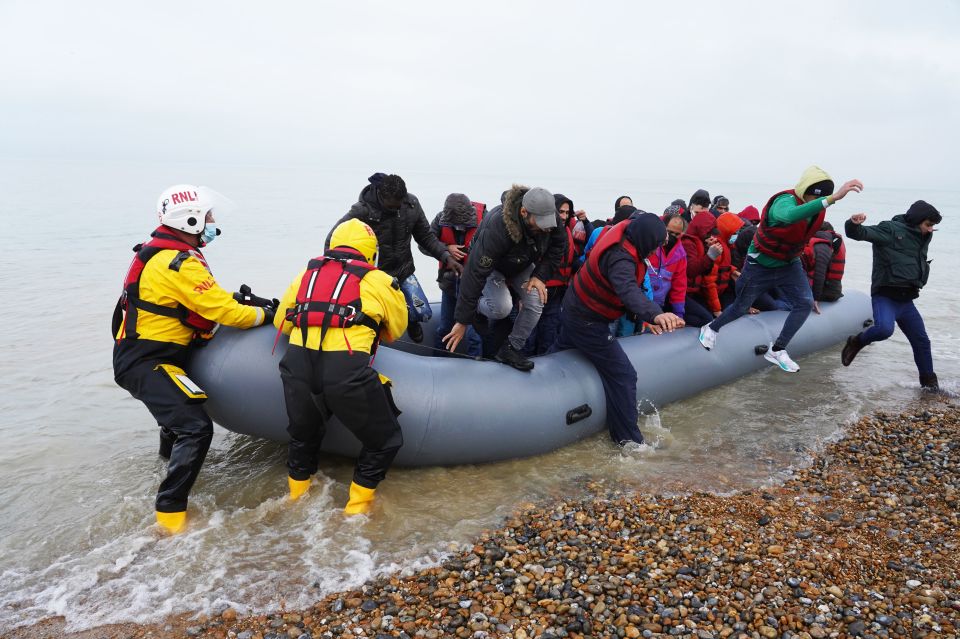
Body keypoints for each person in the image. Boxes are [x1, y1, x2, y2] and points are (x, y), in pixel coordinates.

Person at [113, 185, 275, 534]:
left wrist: (248, 303)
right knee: (195, 427)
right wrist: (266, 315)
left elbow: (204, 300)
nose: (213, 224)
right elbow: (224, 312)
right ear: (190, 220)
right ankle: (171, 519)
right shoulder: (180, 262)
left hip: (149, 354)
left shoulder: (161, 253)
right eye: (209, 218)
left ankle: (165, 468)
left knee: (174, 421)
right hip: (147, 360)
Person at [275, 219, 408, 514]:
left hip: (296, 365)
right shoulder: (380, 280)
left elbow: (280, 323)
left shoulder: (305, 275)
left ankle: (296, 500)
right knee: (385, 441)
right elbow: (396, 329)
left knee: (303, 436)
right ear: (371, 252)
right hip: (345, 372)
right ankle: (357, 510)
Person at [697, 166, 863, 372]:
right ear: (804, 191)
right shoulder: (784, 201)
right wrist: (834, 198)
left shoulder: (817, 209)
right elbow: (789, 216)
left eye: (819, 198)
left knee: (804, 303)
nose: (814, 202)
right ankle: (711, 328)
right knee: (741, 306)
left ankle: (777, 349)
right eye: (812, 196)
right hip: (760, 264)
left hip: (789, 263)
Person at [552, 213, 684, 445]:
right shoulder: (620, 258)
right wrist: (656, 314)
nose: (654, 252)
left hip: (574, 307)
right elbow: (629, 292)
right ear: (645, 240)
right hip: (588, 320)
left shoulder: (631, 230)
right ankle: (628, 441)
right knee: (624, 374)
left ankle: (542, 390)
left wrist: (647, 319)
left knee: (558, 353)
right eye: (654, 246)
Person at [326, 173, 462, 344]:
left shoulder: (411, 205)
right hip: (375, 276)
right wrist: (335, 271)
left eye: (399, 205)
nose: (396, 210)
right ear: (381, 197)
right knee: (376, 318)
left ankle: (412, 321)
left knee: (423, 313)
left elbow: (425, 237)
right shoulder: (361, 211)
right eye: (392, 207)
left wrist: (445, 256)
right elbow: (333, 240)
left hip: (404, 271)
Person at [443, 185, 565, 371]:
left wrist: (540, 276)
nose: (547, 228)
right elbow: (475, 273)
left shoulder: (550, 219)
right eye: (540, 223)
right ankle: (476, 309)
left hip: (521, 262)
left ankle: (510, 348)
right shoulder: (497, 227)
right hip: (493, 266)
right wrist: (462, 320)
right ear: (524, 212)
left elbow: (559, 245)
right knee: (502, 308)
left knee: (536, 300)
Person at [841, 201, 942, 391]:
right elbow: (859, 233)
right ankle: (857, 341)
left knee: (922, 341)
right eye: (928, 225)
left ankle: (930, 386)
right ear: (917, 220)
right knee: (884, 330)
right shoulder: (889, 229)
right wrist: (853, 224)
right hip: (885, 296)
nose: (930, 230)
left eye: (932, 226)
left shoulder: (921, 237)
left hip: (906, 301)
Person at [525, 194, 591, 355]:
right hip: (536, 291)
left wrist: (587, 270)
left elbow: (574, 258)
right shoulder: (540, 231)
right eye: (560, 212)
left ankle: (545, 370)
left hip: (556, 294)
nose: (564, 216)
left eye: (567, 213)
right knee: (529, 335)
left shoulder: (567, 232)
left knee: (549, 334)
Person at [424, 194, 484, 357]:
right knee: (444, 327)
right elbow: (425, 244)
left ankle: (476, 366)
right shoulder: (440, 219)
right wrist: (446, 249)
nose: (458, 227)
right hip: (449, 282)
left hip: (473, 287)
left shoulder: (485, 220)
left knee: (473, 333)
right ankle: (437, 363)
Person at [681, 212, 722, 327]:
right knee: (706, 319)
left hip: (694, 292)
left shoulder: (699, 242)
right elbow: (691, 270)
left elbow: (705, 272)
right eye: (709, 233)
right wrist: (709, 256)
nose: (711, 236)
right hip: (684, 292)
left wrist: (707, 251)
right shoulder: (688, 243)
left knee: (709, 315)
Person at [801, 221, 845, 312]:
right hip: (832, 289)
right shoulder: (832, 242)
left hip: (827, 292)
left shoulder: (821, 246)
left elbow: (819, 274)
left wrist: (815, 298)